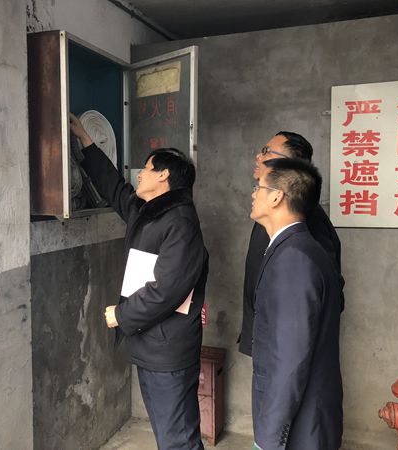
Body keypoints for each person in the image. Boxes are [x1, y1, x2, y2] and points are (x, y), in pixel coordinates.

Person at [69, 114, 208, 450]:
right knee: (168, 434)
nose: (140, 174)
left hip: (167, 350)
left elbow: (166, 290)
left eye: (146, 169)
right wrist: (85, 140)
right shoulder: (149, 211)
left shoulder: (180, 223)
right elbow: (114, 187)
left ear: (163, 175)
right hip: (152, 345)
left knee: (178, 439)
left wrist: (122, 314)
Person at [249, 157, 343, 449]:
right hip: (305, 416)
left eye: (259, 186)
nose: (253, 193)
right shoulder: (297, 248)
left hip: (301, 425)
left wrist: (269, 438)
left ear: (276, 196)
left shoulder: (294, 258)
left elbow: (288, 359)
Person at [238, 131, 344, 357]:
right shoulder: (269, 210)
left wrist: (290, 341)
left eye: (266, 152)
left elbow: (326, 289)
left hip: (285, 347)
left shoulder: (306, 218)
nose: (259, 156)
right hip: (267, 339)